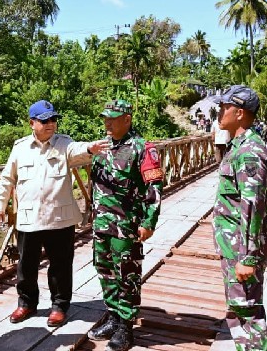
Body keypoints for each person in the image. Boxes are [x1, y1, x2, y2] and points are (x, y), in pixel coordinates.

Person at [0, 100, 108, 327]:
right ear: (32, 123)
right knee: (26, 265)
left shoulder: (64, 144)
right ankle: (26, 303)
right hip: (29, 218)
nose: (50, 124)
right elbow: (7, 178)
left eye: (53, 119)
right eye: (45, 120)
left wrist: (90, 148)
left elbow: (78, 150)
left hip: (59, 218)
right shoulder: (20, 148)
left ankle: (59, 306)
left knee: (60, 265)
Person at [86, 100, 163, 351]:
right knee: (105, 271)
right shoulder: (102, 147)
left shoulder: (142, 148)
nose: (107, 123)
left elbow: (154, 187)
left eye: (113, 118)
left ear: (127, 119)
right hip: (102, 223)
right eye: (105, 118)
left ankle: (126, 327)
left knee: (126, 275)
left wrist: (149, 221)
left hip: (126, 225)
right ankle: (113, 317)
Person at [213, 85, 267, 351]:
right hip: (233, 245)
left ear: (239, 113)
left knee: (247, 314)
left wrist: (248, 257)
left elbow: (253, 206)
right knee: (239, 311)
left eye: (224, 107)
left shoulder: (249, 151)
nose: (219, 112)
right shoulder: (237, 146)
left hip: (241, 249)